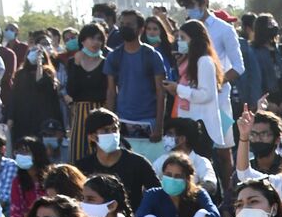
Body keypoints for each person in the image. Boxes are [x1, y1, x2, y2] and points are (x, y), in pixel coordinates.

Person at [174, 0, 244, 197]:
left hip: (219, 100)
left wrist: (216, 83)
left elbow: (238, 67)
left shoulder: (224, 29)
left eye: (192, 5)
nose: (189, 10)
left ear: (204, 2)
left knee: (223, 152)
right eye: (185, 6)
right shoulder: (186, 29)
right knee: (194, 150)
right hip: (192, 101)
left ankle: (231, 195)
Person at [162, 19, 225, 178]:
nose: (180, 42)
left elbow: (206, 94)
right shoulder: (190, 62)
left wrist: (178, 89)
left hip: (201, 127)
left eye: (183, 38)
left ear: (194, 39)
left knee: (202, 169)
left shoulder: (204, 61)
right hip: (189, 123)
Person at [73, 108, 160, 210]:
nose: (112, 134)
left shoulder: (138, 163)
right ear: (92, 136)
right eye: (106, 130)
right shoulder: (82, 167)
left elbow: (157, 195)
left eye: (115, 129)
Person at [104, 13, 167, 141]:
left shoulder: (152, 55)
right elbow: (111, 92)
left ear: (140, 29)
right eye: (122, 24)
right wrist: (109, 125)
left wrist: (159, 126)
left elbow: (161, 92)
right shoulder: (114, 56)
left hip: (149, 120)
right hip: (121, 120)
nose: (124, 27)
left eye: (129, 25)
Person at [61, 23, 109, 164]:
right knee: (78, 153)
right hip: (79, 113)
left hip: (100, 111)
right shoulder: (73, 62)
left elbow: (107, 90)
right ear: (83, 40)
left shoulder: (106, 63)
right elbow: (71, 91)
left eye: (99, 39)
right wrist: (76, 64)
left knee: (99, 151)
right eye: (92, 38)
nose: (96, 42)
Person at [4, 36, 61, 146]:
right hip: (23, 116)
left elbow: (40, 82)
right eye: (33, 52)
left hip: (43, 116)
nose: (35, 54)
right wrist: (10, 116)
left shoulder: (48, 74)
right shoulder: (21, 74)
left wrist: (39, 63)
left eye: (38, 53)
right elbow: (14, 97)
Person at [7, 136, 50, 217]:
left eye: (25, 152)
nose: (20, 155)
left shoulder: (51, 178)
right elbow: (15, 213)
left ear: (37, 154)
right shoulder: (17, 182)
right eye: (17, 152)